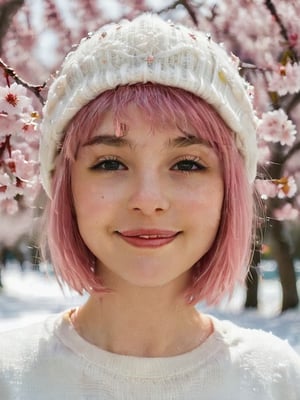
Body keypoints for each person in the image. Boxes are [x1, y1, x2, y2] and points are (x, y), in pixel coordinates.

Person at [0, 13, 299, 400]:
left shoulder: (275, 379)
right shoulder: (11, 376)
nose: (148, 200)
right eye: (110, 163)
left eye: (188, 164)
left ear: (230, 190)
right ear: (65, 186)